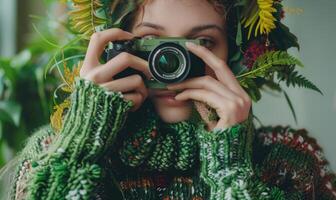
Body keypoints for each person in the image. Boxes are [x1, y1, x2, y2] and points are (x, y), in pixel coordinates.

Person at [1, 0, 336, 199]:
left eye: (202, 41)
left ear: (235, 56)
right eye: (151, 40)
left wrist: (232, 169)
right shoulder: (54, 153)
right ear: (119, 46)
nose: (169, 61)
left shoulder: (289, 164)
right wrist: (81, 142)